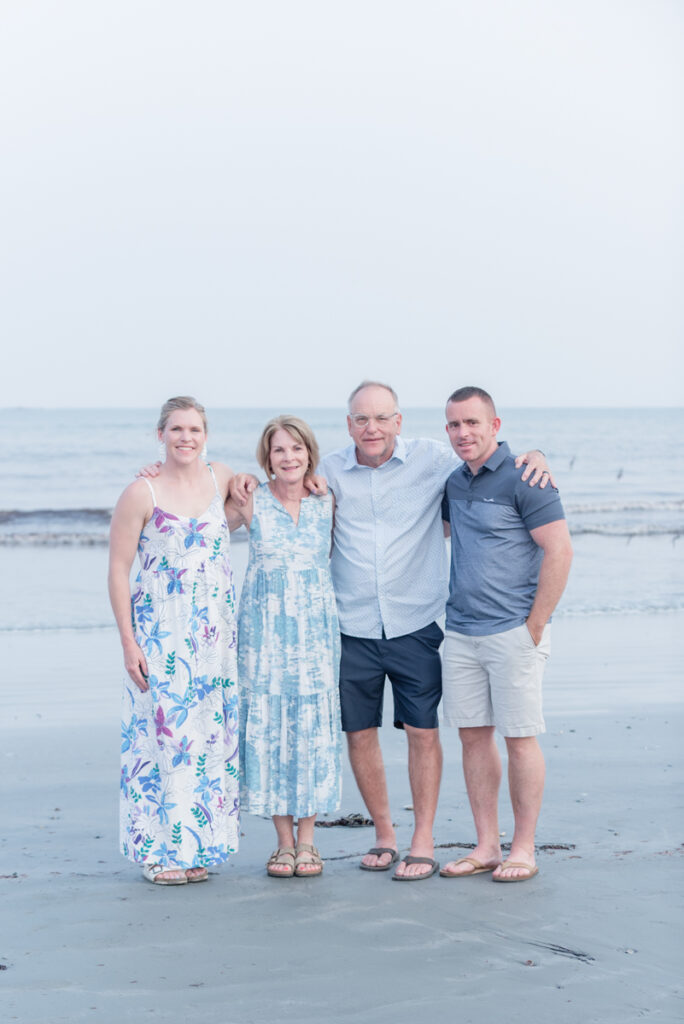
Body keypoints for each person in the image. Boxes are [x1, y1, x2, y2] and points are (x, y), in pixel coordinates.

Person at [316, 381, 552, 880]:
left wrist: (537, 454)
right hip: (351, 623)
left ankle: (424, 840)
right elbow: (283, 481)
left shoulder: (433, 460)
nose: (372, 427)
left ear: (399, 422)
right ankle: (387, 835)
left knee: (426, 733)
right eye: (361, 419)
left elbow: (493, 462)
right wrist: (234, 483)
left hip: (417, 623)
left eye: (382, 417)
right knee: (360, 734)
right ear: (349, 424)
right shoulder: (330, 469)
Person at [439, 386, 573, 883]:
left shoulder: (527, 477)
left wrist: (535, 624)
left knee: (519, 739)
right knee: (473, 739)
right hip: (461, 633)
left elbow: (560, 551)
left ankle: (523, 848)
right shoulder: (454, 482)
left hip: (514, 631)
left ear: (495, 425)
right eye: (454, 425)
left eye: (472, 423)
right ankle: (486, 845)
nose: (463, 433)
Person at [108, 397, 240, 885]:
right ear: (160, 434)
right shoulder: (140, 493)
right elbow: (118, 572)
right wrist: (128, 642)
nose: (186, 437)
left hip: (214, 636)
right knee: (163, 738)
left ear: (206, 435)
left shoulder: (220, 478)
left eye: (195, 429)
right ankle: (159, 852)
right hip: (161, 635)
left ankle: (198, 845)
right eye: (177, 429)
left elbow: (238, 517)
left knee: (206, 739)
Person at [225, 416, 341, 879]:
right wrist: (226, 477)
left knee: (311, 725)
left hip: (315, 630)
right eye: (278, 451)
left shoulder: (326, 498)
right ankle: (283, 843)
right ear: (266, 458)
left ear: (309, 453)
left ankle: (309, 840)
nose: (289, 457)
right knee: (270, 726)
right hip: (264, 632)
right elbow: (199, 524)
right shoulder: (251, 500)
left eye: (296, 448)